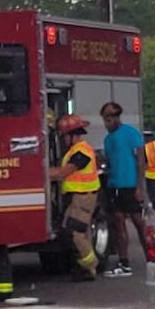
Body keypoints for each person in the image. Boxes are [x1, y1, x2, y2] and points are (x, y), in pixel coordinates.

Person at [99, 101, 150, 277]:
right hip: (115, 186)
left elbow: (141, 161)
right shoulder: (108, 140)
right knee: (118, 222)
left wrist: (139, 187)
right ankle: (124, 262)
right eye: (105, 119)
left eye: (111, 118)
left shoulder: (131, 134)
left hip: (130, 185)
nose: (108, 122)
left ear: (117, 117)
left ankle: (152, 260)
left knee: (139, 223)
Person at [47, 114, 100, 282]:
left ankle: (90, 266)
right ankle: (84, 266)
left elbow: (65, 172)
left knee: (76, 233)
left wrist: (40, 173)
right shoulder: (75, 151)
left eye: (64, 136)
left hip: (83, 197)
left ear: (72, 135)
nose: (63, 140)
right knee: (74, 231)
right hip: (78, 197)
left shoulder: (82, 152)